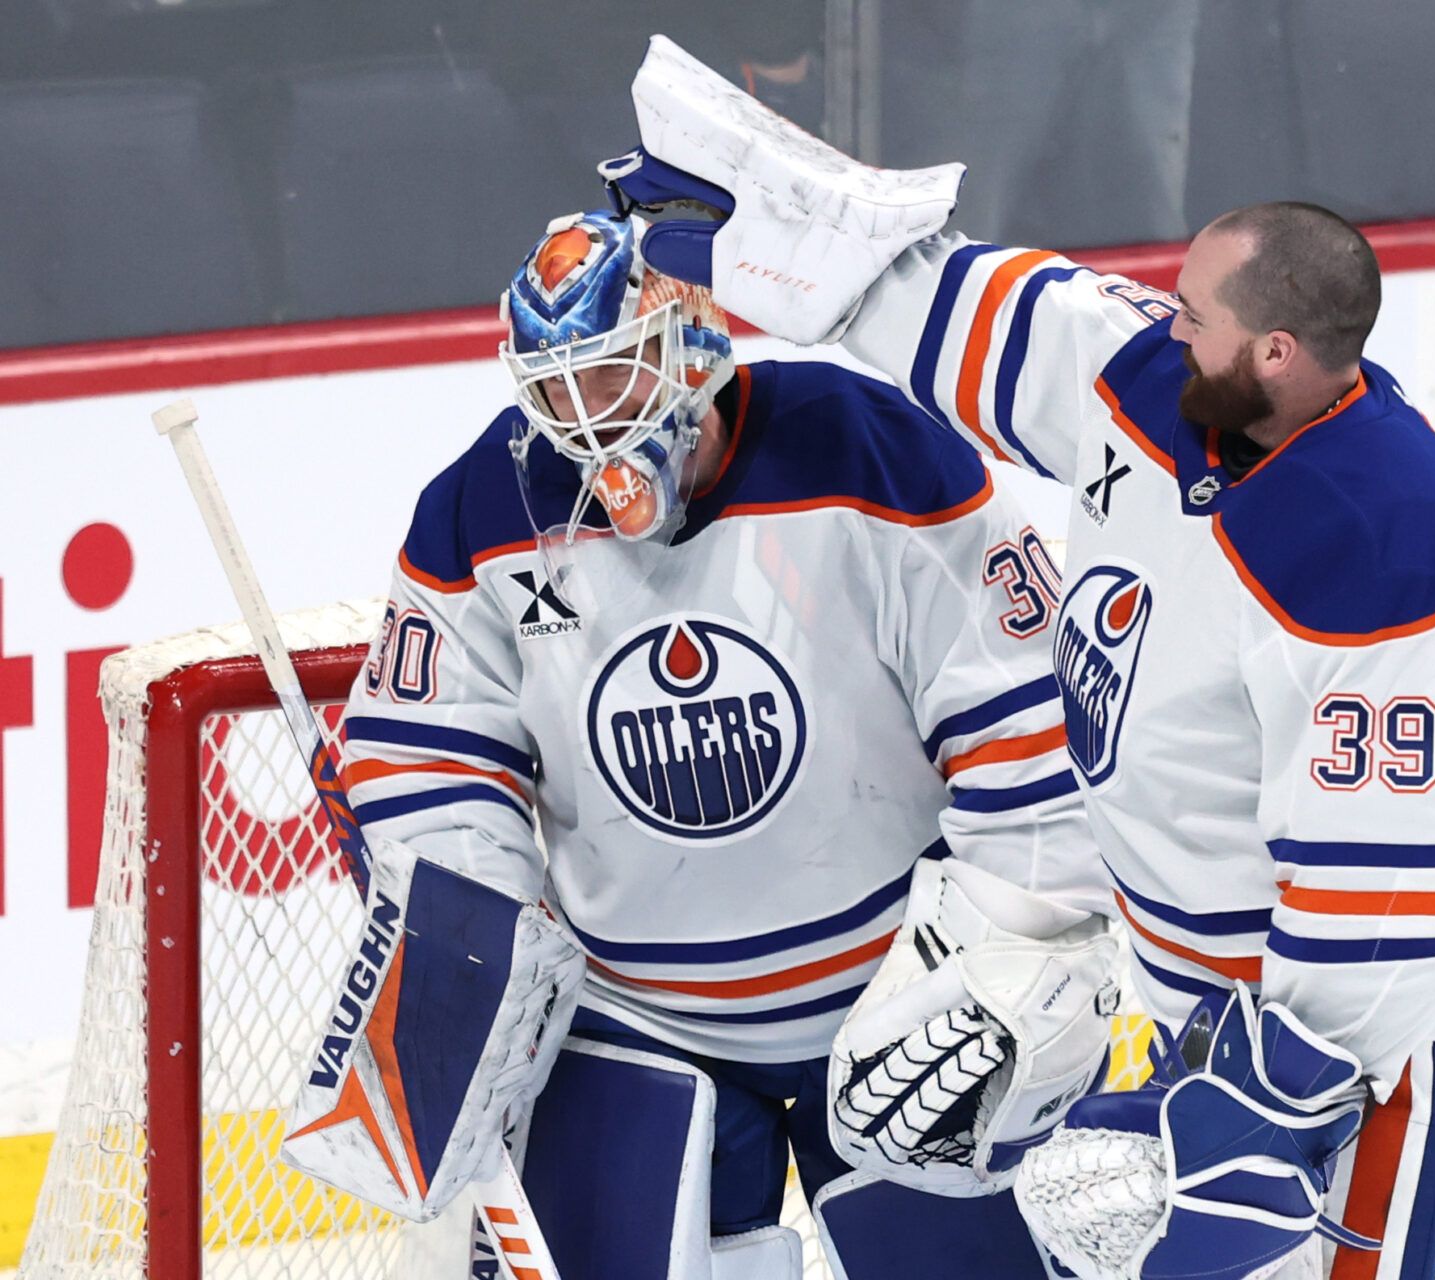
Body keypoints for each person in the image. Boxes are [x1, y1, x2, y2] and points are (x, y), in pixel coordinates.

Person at [604, 37, 1435, 1280]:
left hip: (1384, 1034)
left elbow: (1405, 876)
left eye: (1198, 314)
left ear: (1274, 352)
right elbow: (995, 319)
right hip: (1226, 1012)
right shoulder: (1161, 379)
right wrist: (806, 253)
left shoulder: (1379, 540)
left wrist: (1273, 1089)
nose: (1166, 323)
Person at [278, 207, 1121, 1280]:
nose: (586, 423)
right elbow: (427, 753)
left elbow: (1030, 710)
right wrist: (474, 936)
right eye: (556, 389)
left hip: (896, 1004)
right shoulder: (481, 506)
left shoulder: (868, 449)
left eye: (615, 376)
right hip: (634, 1017)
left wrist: (1012, 937)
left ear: (692, 344)